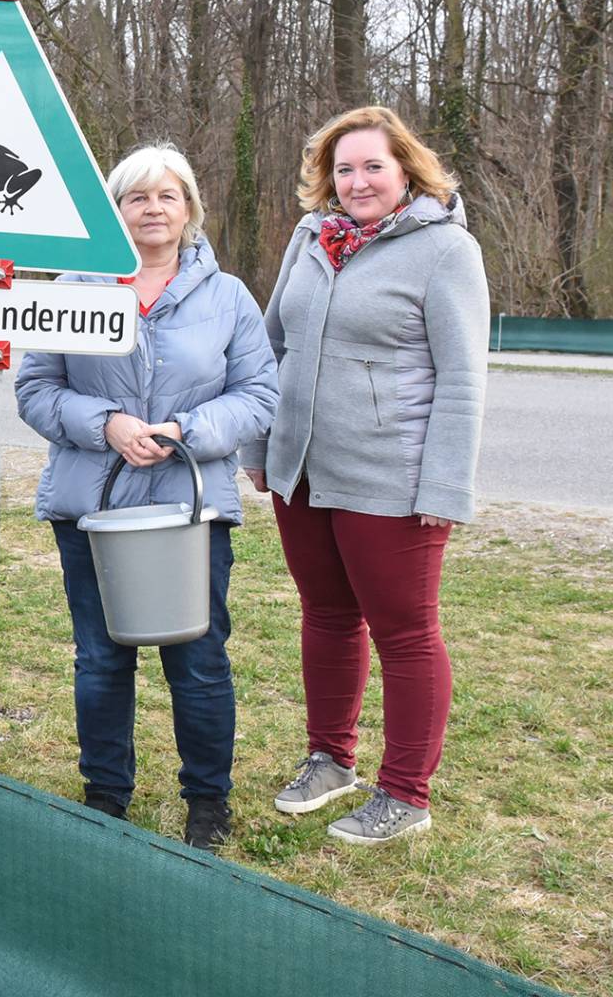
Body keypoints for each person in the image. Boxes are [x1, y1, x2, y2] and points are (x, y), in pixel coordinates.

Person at [13, 145, 278, 851]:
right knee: (101, 658)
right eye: (136, 197)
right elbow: (34, 390)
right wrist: (107, 424)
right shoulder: (71, 288)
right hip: (91, 505)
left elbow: (259, 396)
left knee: (198, 659)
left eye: (167, 195)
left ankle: (208, 803)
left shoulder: (228, 298)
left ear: (189, 208)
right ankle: (105, 795)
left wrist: (187, 429)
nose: (152, 208)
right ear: (115, 210)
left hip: (190, 510)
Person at [241, 106, 489, 845]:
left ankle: (406, 794)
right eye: (343, 169)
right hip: (305, 472)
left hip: (393, 479)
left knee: (406, 634)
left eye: (373, 166)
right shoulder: (312, 237)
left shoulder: (447, 251)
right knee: (326, 615)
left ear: (407, 170)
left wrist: (444, 486)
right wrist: (262, 449)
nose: (357, 181)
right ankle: (331, 760)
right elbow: (270, 344)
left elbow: (463, 379)